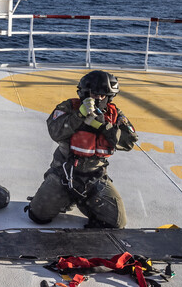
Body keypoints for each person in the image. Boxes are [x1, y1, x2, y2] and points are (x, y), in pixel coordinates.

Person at [25, 70, 138, 229]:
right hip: (63, 174)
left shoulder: (115, 115)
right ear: (85, 93)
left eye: (103, 95)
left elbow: (129, 142)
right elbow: (54, 131)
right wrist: (79, 115)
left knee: (116, 223)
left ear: (109, 96)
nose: (98, 98)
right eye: (94, 94)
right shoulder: (68, 107)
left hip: (95, 177)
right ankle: (64, 199)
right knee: (37, 215)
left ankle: (84, 201)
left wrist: (103, 127)